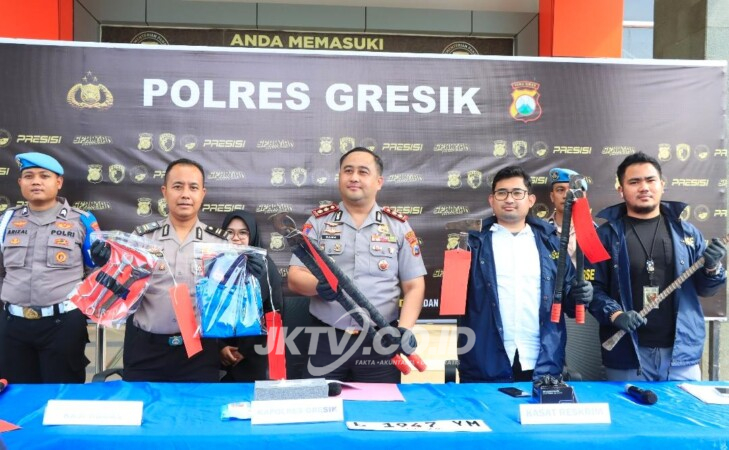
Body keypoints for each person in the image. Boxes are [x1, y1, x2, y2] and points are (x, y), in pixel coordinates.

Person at [287, 147, 426, 382]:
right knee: (320, 402)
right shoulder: (319, 222)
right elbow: (295, 276)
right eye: (348, 171)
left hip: (381, 341)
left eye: (363, 172)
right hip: (326, 338)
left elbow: (414, 286)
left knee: (379, 405)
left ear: (378, 182)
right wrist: (318, 286)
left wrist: (404, 330)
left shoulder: (398, 226)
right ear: (339, 177)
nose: (354, 177)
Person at [588, 152, 726, 381]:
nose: (644, 187)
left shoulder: (688, 233)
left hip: (681, 356)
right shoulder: (603, 237)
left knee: (684, 407)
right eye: (634, 182)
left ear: (662, 185)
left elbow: (706, 289)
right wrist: (615, 314)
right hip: (627, 355)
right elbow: (592, 289)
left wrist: (712, 268)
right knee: (629, 407)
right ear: (621, 190)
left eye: (650, 180)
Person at [92, 158, 228, 382]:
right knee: (143, 405)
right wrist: (108, 265)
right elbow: (122, 295)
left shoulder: (220, 244)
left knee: (196, 405)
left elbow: (228, 301)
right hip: (147, 351)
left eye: (193, 187)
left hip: (199, 353)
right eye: (178, 186)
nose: (185, 194)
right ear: (164, 191)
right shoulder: (141, 239)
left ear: (203, 194)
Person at [458, 165, 593, 382]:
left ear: (530, 200)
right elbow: (455, 301)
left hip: (542, 361)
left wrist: (581, 294)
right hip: (485, 362)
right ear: (491, 200)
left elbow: (569, 302)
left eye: (517, 193)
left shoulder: (551, 242)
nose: (509, 199)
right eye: (502, 193)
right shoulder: (472, 244)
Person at [0, 152, 100, 383]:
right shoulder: (6, 220)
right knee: (16, 396)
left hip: (62, 325)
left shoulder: (82, 221)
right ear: (20, 182)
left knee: (62, 395)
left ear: (59, 182)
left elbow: (95, 271)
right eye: (29, 176)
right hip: (13, 326)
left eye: (44, 176)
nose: (36, 182)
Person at [219, 210, 282, 382]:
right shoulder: (213, 265)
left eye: (243, 233)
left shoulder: (266, 267)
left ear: (252, 236)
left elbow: (274, 314)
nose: (236, 238)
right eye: (230, 232)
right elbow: (206, 312)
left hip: (255, 352)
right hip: (216, 350)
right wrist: (220, 348)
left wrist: (246, 351)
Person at [547, 167, 582, 266]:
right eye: (560, 190)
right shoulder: (541, 230)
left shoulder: (594, 231)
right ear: (552, 197)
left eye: (572, 190)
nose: (566, 195)